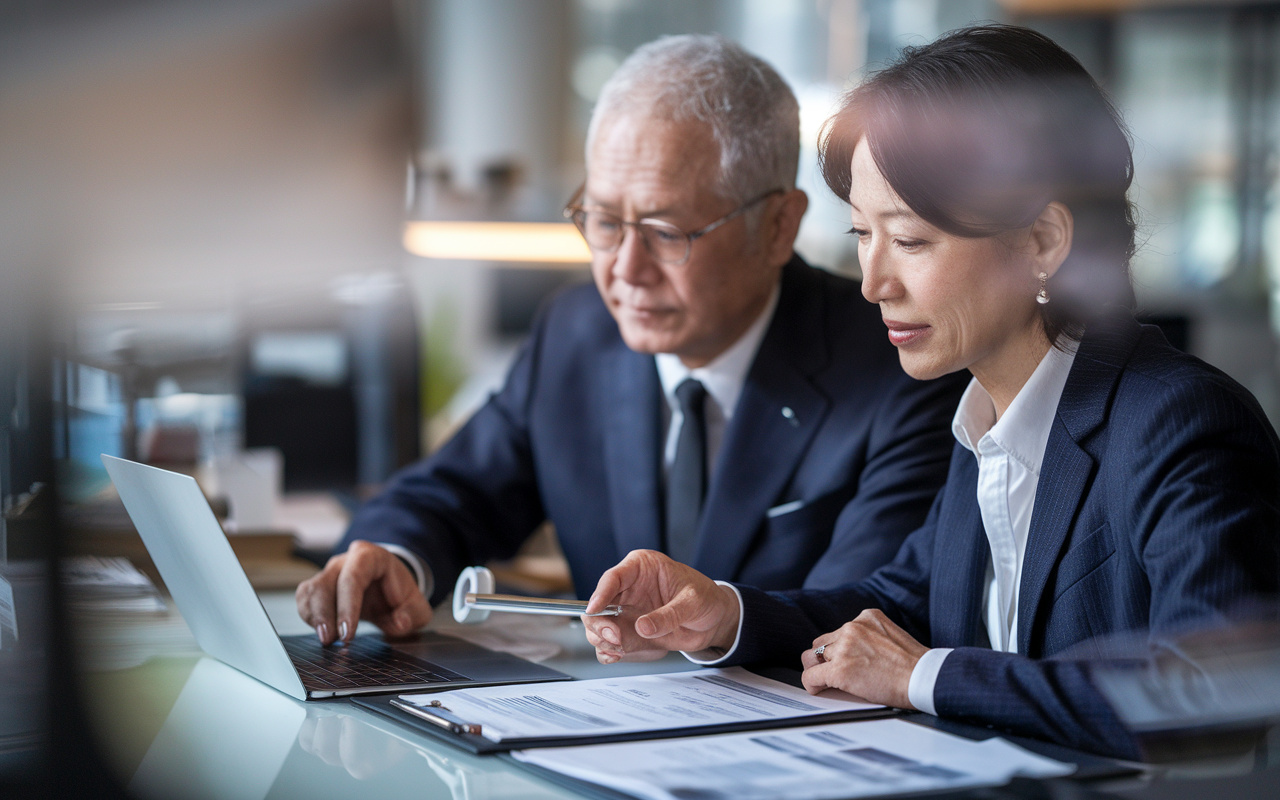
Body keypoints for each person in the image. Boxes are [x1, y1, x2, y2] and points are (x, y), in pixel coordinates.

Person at [582, 24, 1280, 760]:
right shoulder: (987, 419)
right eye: (861, 235)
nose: (874, 284)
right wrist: (721, 615)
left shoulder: (1181, 423)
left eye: (910, 241)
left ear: (1043, 241)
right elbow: (901, 602)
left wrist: (926, 676)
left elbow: (1214, 693)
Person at [296, 35, 965, 647]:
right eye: (604, 222)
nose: (624, 270)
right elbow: (451, 493)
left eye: (667, 233)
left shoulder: (900, 367)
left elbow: (866, 619)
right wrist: (394, 559)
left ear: (777, 227)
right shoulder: (577, 332)